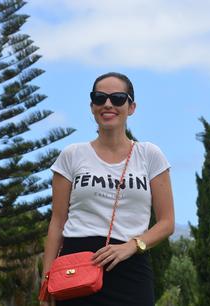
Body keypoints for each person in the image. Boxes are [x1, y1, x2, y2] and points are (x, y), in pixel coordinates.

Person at [40, 72, 175, 306]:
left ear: (131, 107)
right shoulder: (72, 155)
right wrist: (47, 280)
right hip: (76, 270)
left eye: (118, 98)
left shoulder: (149, 155)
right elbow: (57, 222)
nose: (108, 104)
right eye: (100, 98)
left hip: (130, 271)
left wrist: (131, 246)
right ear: (92, 106)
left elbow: (167, 223)